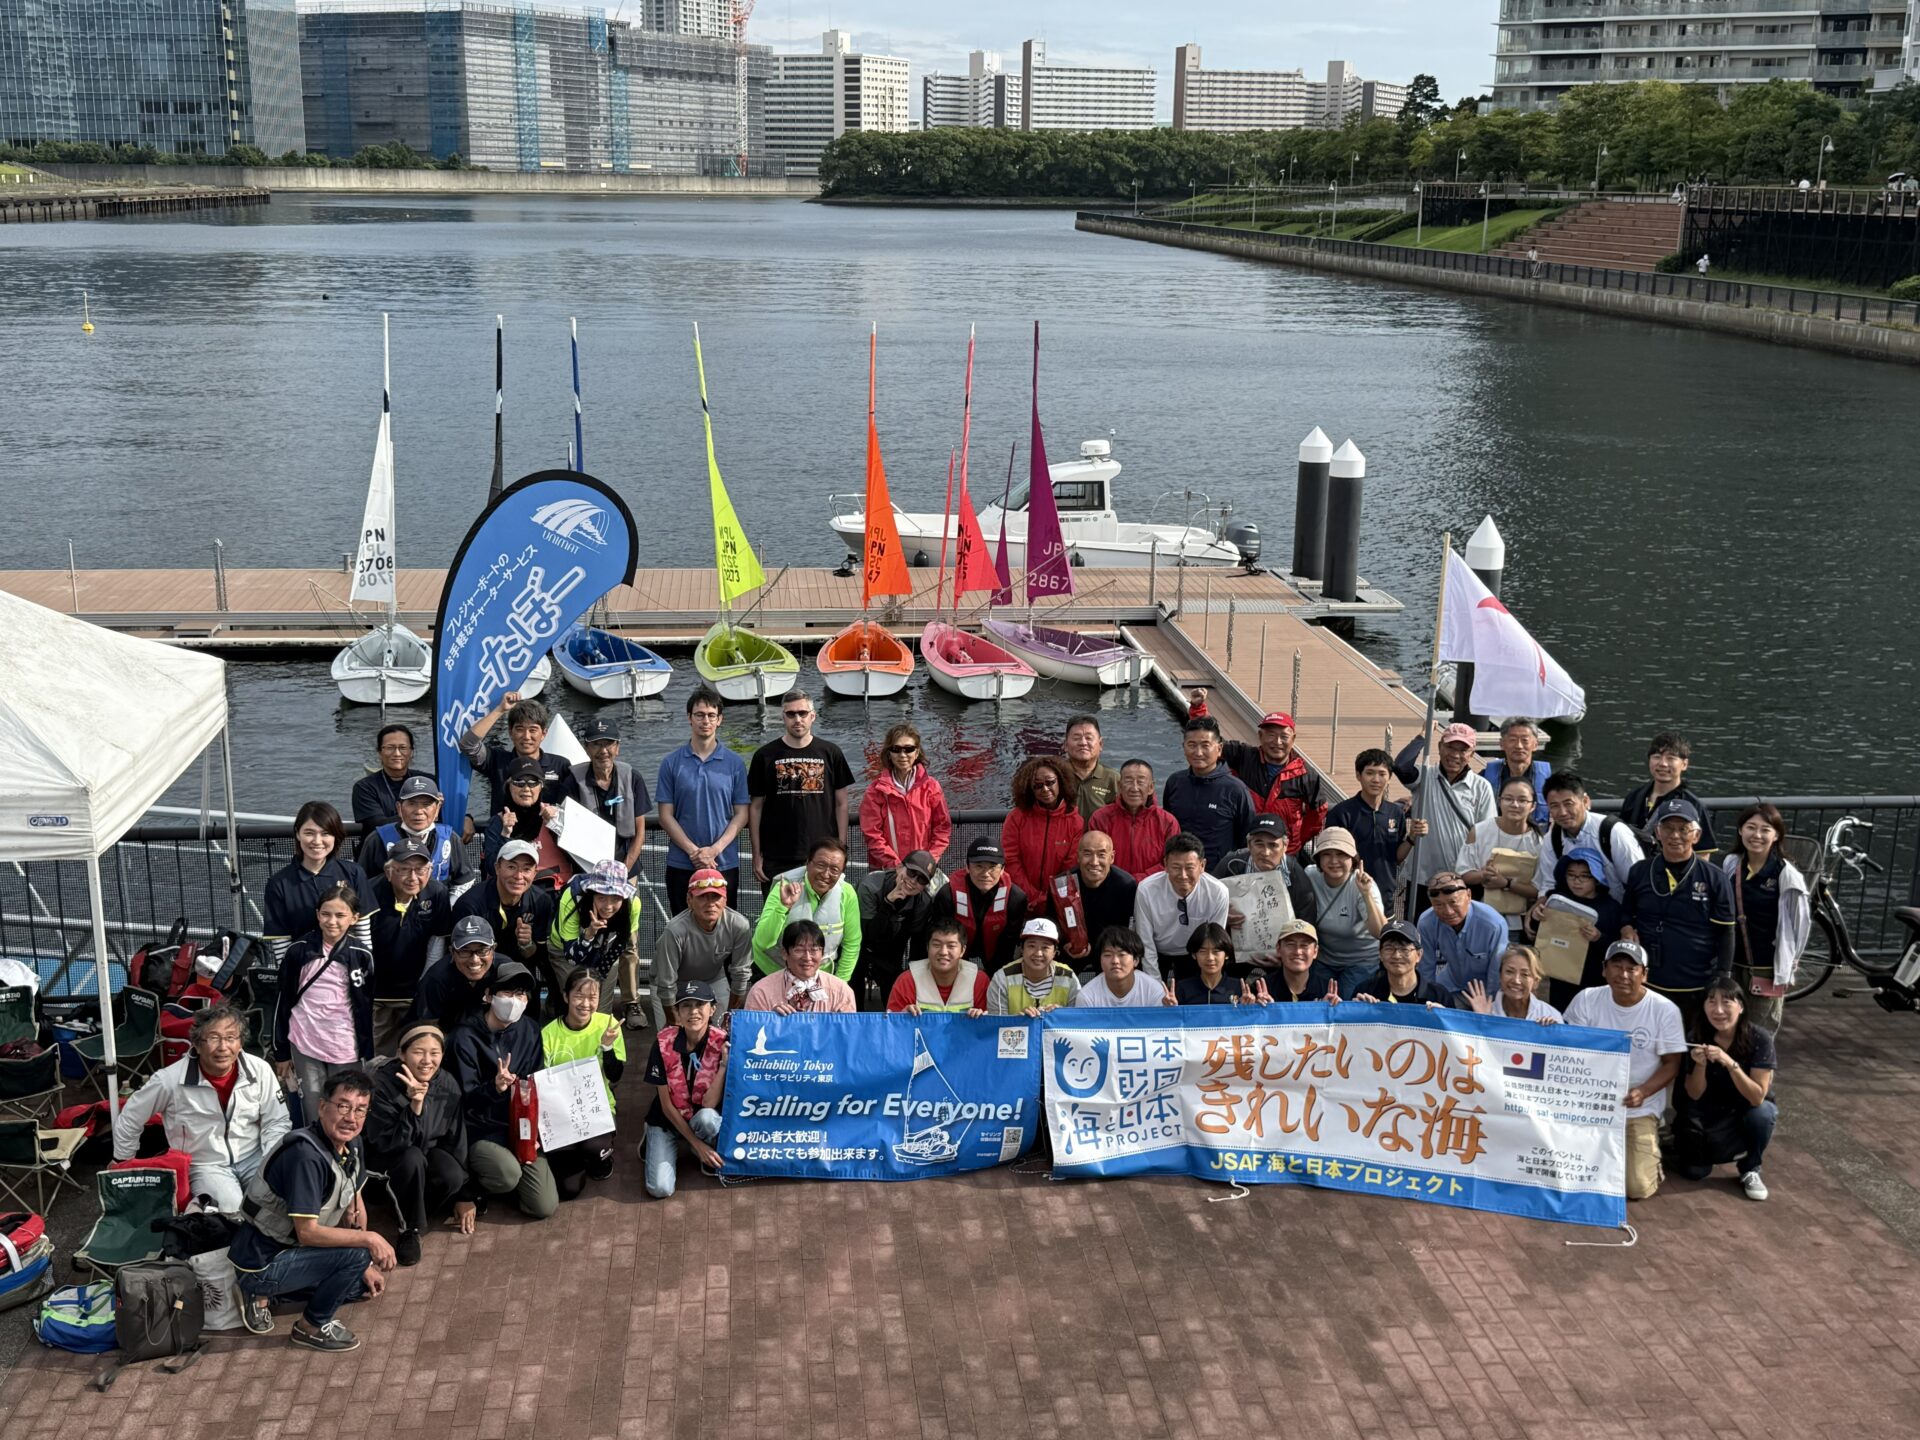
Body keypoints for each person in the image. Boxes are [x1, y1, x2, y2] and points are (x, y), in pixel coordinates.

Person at [113, 1003, 289, 1328]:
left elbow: (277, 1121)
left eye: (231, 1037)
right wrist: (123, 1162)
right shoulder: (170, 1080)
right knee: (235, 1213)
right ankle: (250, 1292)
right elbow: (130, 1118)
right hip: (206, 1164)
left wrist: (271, 1162)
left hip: (255, 1157)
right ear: (196, 1043)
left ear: (241, 1041)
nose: (223, 1047)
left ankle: (279, 1281)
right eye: (213, 1038)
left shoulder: (259, 1070)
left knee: (278, 1205)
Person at [230, 1070, 392, 1353]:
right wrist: (369, 1241)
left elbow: (354, 1206)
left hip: (296, 1252)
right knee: (357, 1254)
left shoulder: (351, 1144)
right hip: (264, 1262)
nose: (351, 1118)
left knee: (359, 1285)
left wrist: (365, 1266)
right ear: (322, 1107)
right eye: (343, 1106)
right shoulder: (305, 1156)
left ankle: (272, 1296)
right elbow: (307, 1232)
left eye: (360, 1110)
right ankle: (309, 1326)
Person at [1564, 941, 1688, 1201]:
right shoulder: (1586, 999)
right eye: (1616, 966)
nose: (1623, 974)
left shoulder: (1664, 1010)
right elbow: (1570, 1048)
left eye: (1632, 969)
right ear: (1604, 969)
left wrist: (1643, 1092)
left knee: (1638, 1188)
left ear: (1644, 974)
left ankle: (1648, 1156)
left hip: (1637, 1107)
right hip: (1589, 1103)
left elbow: (1672, 1064)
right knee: (1567, 1172)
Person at [449, 960, 556, 1220]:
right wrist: (494, 1087)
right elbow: (463, 1099)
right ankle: (477, 1181)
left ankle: (508, 1179)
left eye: (521, 994)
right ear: (488, 995)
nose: (514, 1001)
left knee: (544, 1206)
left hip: (520, 1126)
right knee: (507, 1175)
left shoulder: (530, 1029)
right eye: (507, 992)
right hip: (482, 1130)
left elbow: (535, 1080)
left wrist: (536, 1129)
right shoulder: (464, 1037)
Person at [1621, 798, 1736, 1029]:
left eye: (1683, 829)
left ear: (1696, 835)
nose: (1675, 835)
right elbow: (1626, 911)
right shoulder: (1639, 871)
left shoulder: (1715, 878)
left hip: (1695, 982)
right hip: (1648, 979)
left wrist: (1722, 976)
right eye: (1668, 828)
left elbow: (1726, 931)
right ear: (1657, 832)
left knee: (1690, 1042)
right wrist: (1626, 928)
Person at [363, 1023, 471, 1265]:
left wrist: (464, 1194)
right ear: (401, 1054)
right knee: (411, 1157)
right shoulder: (381, 1086)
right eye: (418, 1052)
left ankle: (413, 1210)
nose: (427, 1061)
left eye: (434, 1053)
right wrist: (415, 1107)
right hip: (384, 1166)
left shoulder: (447, 1083)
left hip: (422, 1157)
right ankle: (410, 1229)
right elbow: (389, 1144)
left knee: (452, 1174)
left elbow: (456, 1139)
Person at [1672, 975, 1777, 1201]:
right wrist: (1700, 1065)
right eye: (1711, 1001)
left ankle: (1750, 1167)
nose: (1718, 1010)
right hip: (1707, 1112)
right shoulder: (1696, 1036)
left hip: (1744, 1108)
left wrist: (1729, 1062)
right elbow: (1694, 1093)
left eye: (1726, 1002)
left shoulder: (1760, 1038)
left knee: (1763, 1113)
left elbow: (1757, 1097)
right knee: (1694, 1172)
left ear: (1741, 1006)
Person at [273, 883, 375, 1105]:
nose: (332, 921)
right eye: (326, 914)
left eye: (340, 915)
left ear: (354, 918)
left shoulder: (361, 954)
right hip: (305, 1042)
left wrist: (367, 1050)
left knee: (344, 1105)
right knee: (313, 1107)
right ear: (317, 915)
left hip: (346, 1045)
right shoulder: (298, 950)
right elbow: (283, 1001)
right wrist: (281, 1052)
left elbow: (365, 1006)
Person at [1186, 694, 1326, 851]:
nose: (1277, 742)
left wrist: (1296, 841)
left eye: (1284, 736)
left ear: (1293, 739)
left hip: (1284, 852)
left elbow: (1318, 813)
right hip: (1243, 848)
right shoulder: (1244, 757)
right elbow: (1211, 745)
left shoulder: (1306, 775)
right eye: (1271, 735)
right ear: (1260, 736)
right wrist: (1199, 709)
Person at [657, 686, 751, 914]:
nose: (705, 721)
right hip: (681, 862)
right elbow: (665, 816)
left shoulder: (735, 764)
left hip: (723, 862)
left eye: (711, 715)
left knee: (722, 926)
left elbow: (742, 814)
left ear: (720, 720)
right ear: (689, 718)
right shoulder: (671, 763)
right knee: (682, 925)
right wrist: (694, 852)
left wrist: (714, 850)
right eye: (699, 715)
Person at [747, 689, 854, 889]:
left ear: (812, 716)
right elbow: (755, 807)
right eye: (791, 714)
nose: (797, 719)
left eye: (802, 713)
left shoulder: (832, 753)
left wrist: (840, 850)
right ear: (783, 717)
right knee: (779, 908)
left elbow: (841, 804)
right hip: (777, 855)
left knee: (823, 909)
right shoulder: (764, 756)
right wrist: (756, 854)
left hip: (823, 855)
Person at [1720, 802, 1809, 1036]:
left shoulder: (1786, 875)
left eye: (1765, 829)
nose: (1757, 835)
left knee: (1759, 1034)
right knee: (1728, 1029)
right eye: (1751, 827)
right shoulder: (1732, 863)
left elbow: (1800, 925)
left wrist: (1790, 962)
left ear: (1776, 835)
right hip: (1733, 963)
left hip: (1766, 967)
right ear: (1740, 830)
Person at [1393, 723, 1495, 915]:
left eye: (1463, 750)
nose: (1455, 755)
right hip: (1423, 879)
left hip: (1462, 880)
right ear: (1439, 746)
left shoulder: (1481, 787)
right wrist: (1423, 736)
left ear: (1472, 754)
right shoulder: (1424, 776)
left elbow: (1487, 835)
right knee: (1420, 929)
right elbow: (1400, 766)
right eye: (1450, 747)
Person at [539, 968, 623, 1202]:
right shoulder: (548, 1034)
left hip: (596, 1108)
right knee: (568, 1189)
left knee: (595, 1151)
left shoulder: (609, 1025)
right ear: (565, 996)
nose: (586, 1004)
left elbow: (616, 1076)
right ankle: (573, 1153)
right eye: (579, 995)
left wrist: (607, 1047)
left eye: (592, 997)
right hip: (560, 1114)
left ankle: (599, 1155)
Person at [365, 834, 452, 1057]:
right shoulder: (369, 891)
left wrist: (425, 982)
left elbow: (437, 940)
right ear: (388, 871)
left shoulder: (437, 893)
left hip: (417, 990)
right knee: (379, 1054)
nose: (413, 877)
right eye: (404, 869)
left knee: (418, 1050)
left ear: (429, 871)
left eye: (420, 870)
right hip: (377, 993)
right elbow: (360, 942)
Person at [642, 980, 730, 1198]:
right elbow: (666, 1106)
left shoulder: (723, 1042)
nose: (693, 1012)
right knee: (660, 1189)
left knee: (709, 1119)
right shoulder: (662, 1043)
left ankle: (698, 1148)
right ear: (677, 1013)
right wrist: (698, 1145)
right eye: (686, 1006)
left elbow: (709, 1103)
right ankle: (655, 1139)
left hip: (700, 1117)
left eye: (700, 1004)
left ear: (712, 1009)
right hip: (667, 1119)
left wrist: (723, 1066)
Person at [263, 802, 370, 966]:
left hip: (348, 967)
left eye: (325, 833)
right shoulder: (278, 884)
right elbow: (281, 942)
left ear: (336, 836)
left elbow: (363, 932)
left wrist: (364, 967)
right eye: (309, 833)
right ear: (297, 834)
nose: (317, 841)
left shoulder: (354, 873)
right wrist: (289, 974)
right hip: (304, 969)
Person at [452, 840, 555, 1011]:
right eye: (512, 867)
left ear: (534, 873)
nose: (519, 876)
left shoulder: (541, 901)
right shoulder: (470, 905)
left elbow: (538, 956)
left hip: (521, 976)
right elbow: (463, 958)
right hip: (480, 975)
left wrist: (527, 944)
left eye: (526, 869)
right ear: (497, 868)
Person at [653, 868, 754, 1030]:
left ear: (725, 900)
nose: (710, 903)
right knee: (672, 1036)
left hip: (713, 978)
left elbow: (741, 974)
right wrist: (674, 1021)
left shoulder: (739, 925)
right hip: (674, 983)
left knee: (724, 1032)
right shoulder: (674, 930)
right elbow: (666, 983)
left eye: (716, 896)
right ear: (689, 900)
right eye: (702, 897)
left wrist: (729, 1016)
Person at [750, 837, 861, 985]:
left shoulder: (847, 893)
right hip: (773, 970)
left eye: (834, 870)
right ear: (808, 863)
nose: (826, 874)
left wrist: (839, 984)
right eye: (821, 865)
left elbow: (852, 944)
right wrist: (783, 907)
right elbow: (762, 942)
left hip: (820, 975)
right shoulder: (784, 887)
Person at [1527, 847, 1625, 1011]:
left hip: (1594, 980)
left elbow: (1616, 948)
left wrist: (1598, 938)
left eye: (1584, 876)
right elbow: (1536, 935)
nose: (1576, 881)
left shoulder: (1611, 908)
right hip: (1561, 977)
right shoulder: (1556, 899)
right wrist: (1536, 918)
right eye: (1571, 875)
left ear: (1597, 878)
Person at [548, 859, 642, 1026]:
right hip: (564, 950)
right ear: (592, 894)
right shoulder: (572, 898)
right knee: (577, 1001)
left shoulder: (633, 903)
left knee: (600, 1009)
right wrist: (589, 934)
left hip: (605, 949)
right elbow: (572, 957)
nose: (608, 906)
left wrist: (598, 978)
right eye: (601, 897)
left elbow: (620, 944)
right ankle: (557, 1000)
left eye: (616, 898)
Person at [1533, 770, 1644, 903]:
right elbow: (1549, 883)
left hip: (1620, 909)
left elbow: (1639, 884)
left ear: (1585, 801)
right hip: (1577, 910)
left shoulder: (1613, 833)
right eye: (1554, 806)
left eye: (1568, 804)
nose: (1562, 812)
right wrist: (1541, 903)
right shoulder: (1552, 839)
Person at [1131, 833, 1230, 983]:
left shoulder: (1218, 892)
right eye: (1176, 867)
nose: (1183, 875)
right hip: (1157, 951)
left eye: (1190, 868)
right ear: (1165, 864)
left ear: (1202, 865)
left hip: (1195, 953)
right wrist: (1156, 986)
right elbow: (1146, 942)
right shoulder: (1147, 890)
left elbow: (1214, 940)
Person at [1161, 716, 1256, 865]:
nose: (1198, 752)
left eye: (1205, 745)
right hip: (1180, 870)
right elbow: (1167, 826)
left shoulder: (1236, 790)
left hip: (1219, 872)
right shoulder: (1175, 782)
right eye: (1192, 745)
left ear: (1219, 749)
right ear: (1184, 747)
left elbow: (1247, 839)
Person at [1302, 827, 1386, 996]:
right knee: (1316, 999)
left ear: (1353, 858)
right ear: (1318, 858)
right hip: (1324, 959)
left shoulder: (1363, 883)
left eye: (1341, 854)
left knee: (1347, 1003)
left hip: (1361, 960)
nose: (1334, 861)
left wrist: (1366, 894)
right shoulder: (1310, 875)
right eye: (1327, 854)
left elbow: (1380, 932)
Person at [860, 722, 952, 874]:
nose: (902, 755)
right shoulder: (875, 791)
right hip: (888, 871)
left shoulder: (932, 787)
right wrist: (896, 866)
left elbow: (942, 828)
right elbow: (872, 834)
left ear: (917, 752)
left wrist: (928, 861)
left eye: (908, 749)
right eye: (896, 749)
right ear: (889, 753)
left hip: (923, 871)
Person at [1325, 748, 1415, 902]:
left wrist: (1412, 837)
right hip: (1348, 894)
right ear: (1358, 775)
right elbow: (1332, 857)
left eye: (1382, 774)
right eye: (1370, 773)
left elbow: (1396, 858)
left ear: (1390, 777)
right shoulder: (1342, 813)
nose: (1376, 779)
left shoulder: (1396, 813)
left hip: (1385, 896)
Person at [459, 691, 568, 818]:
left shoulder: (560, 765)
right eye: (520, 729)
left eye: (533, 730)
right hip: (502, 829)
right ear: (510, 732)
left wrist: (555, 812)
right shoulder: (496, 760)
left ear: (544, 734)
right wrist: (500, 710)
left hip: (545, 829)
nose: (526, 736)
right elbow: (468, 745)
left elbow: (572, 807)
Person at [355, 776, 471, 895]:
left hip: (438, 904)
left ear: (437, 809)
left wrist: (449, 904)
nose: (419, 811)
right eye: (411, 804)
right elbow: (361, 883)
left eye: (426, 804)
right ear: (399, 808)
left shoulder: (449, 838)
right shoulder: (377, 839)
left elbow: (464, 880)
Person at [563, 717, 649, 875]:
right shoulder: (573, 781)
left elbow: (640, 832)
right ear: (586, 748)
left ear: (617, 747)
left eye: (608, 744)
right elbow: (567, 832)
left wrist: (624, 870)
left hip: (626, 868)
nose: (603, 751)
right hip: (587, 871)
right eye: (596, 744)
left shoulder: (633, 778)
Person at [1458, 775, 1545, 933]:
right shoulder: (1480, 830)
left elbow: (1538, 889)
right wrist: (1483, 875)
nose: (1515, 805)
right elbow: (1463, 874)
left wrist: (1506, 883)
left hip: (1518, 921)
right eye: (1508, 799)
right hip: (1479, 916)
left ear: (1532, 806)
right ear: (1499, 801)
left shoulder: (1538, 841)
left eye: (1522, 800)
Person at [855, 849, 938, 1011]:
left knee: (897, 1000)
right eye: (911, 873)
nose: (913, 881)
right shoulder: (869, 886)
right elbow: (867, 935)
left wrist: (912, 980)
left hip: (891, 951)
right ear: (899, 867)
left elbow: (917, 949)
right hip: (860, 947)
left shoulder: (923, 902)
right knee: (854, 989)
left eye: (921, 880)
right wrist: (888, 902)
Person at [1001, 755, 1084, 919]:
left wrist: (1050, 899)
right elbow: (1010, 860)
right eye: (1037, 785)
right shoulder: (1016, 817)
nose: (1045, 789)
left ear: (1061, 781)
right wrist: (1032, 896)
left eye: (1050, 782)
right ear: (1029, 788)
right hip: (1019, 899)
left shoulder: (1076, 822)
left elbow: (1071, 867)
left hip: (1058, 902)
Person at [931, 837, 1029, 972]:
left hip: (998, 954)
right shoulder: (947, 895)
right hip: (954, 954)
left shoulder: (1016, 898)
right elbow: (941, 938)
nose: (985, 874)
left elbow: (1008, 945)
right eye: (979, 866)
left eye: (992, 867)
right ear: (967, 867)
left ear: (1002, 869)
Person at [1049, 830, 1138, 970]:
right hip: (1072, 951)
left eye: (1101, 855)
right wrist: (1065, 944)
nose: (1094, 862)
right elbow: (1052, 924)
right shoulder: (1062, 885)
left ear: (1112, 857)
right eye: (1087, 854)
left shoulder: (1126, 886)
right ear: (1078, 857)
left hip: (1110, 950)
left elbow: (1127, 931)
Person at [1618, 732, 1717, 851]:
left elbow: (1703, 853)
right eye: (1657, 757)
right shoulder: (1634, 797)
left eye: (1671, 758)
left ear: (1684, 764)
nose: (1663, 764)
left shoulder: (1693, 805)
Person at [1415, 871, 1508, 998]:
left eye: (1453, 902)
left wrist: (1489, 1003)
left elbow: (1496, 973)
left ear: (1468, 896)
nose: (1448, 911)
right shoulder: (1426, 922)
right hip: (1450, 984)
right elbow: (1426, 968)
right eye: (1438, 905)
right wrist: (1428, 998)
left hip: (1484, 991)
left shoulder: (1493, 924)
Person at [1210, 814, 1317, 923]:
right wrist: (1222, 914)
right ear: (1249, 845)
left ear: (1285, 846)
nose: (1266, 853)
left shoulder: (1295, 874)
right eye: (1259, 844)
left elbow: (1306, 919)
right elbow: (1208, 897)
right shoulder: (1232, 863)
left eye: (1273, 845)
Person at [1088, 759, 1181, 880]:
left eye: (1141, 781)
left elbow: (1172, 861)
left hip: (1154, 886)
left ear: (1151, 787)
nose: (1134, 788)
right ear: (1119, 786)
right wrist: (1122, 882)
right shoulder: (1100, 818)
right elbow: (1095, 859)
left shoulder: (1167, 822)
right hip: (1112, 884)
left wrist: (1139, 881)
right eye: (1128, 781)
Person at [742, 919, 858, 1013]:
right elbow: (753, 1032)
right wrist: (769, 1019)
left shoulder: (841, 991)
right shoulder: (761, 991)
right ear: (784, 953)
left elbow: (849, 1033)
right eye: (799, 950)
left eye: (814, 950)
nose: (807, 957)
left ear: (822, 953)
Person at [410, 916, 498, 1031]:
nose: (475, 959)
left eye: (482, 950)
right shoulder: (435, 980)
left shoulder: (504, 970)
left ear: (493, 949)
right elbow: (426, 1028)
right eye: (465, 951)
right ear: (452, 952)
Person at [886, 918, 989, 1015]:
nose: (943, 952)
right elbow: (891, 1024)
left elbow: (991, 1023)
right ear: (927, 947)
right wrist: (902, 1016)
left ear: (962, 950)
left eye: (951, 946)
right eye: (936, 945)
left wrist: (982, 1018)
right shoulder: (907, 980)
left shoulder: (978, 980)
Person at [479, 756, 558, 881]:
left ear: (541, 786)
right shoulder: (498, 822)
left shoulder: (555, 815)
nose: (526, 788)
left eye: (533, 783)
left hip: (550, 887)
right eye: (519, 782)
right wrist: (505, 834)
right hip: (513, 887)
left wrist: (556, 826)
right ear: (508, 786)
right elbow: (491, 868)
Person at [985, 918, 1082, 1014]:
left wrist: (1062, 1015)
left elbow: (1078, 1020)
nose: (1038, 953)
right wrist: (1019, 1020)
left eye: (1045, 947)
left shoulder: (1068, 977)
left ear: (1054, 952)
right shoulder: (1002, 978)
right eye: (1031, 946)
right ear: (1022, 949)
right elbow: (997, 1022)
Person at [350, 723, 434, 830]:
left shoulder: (429, 781)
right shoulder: (364, 787)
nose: (397, 753)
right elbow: (376, 825)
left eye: (403, 747)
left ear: (411, 751)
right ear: (379, 752)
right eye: (390, 748)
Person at [1353, 921, 1453, 1005]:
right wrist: (1355, 1010)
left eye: (1404, 949)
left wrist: (1443, 1017)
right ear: (1380, 954)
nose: (1397, 955)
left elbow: (1453, 1023)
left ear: (1419, 955)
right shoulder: (1366, 992)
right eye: (1389, 949)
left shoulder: (1439, 996)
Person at [1462, 943, 1561, 1024]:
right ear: (1500, 975)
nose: (1516, 980)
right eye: (1509, 972)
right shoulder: (1486, 1011)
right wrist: (1482, 1021)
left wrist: (1553, 1032)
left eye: (1525, 974)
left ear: (1535, 981)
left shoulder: (1549, 1014)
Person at [1072, 926, 1168, 1008]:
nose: (1115, 961)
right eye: (1108, 955)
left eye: (1122, 955)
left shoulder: (1153, 990)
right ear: (1100, 960)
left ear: (1136, 960)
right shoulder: (1087, 996)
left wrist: (1171, 1011)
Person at [1479, 719, 1550, 829]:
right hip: (1494, 835)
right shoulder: (1485, 777)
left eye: (1525, 740)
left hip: (1535, 836)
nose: (1519, 746)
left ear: (1535, 744)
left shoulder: (1550, 780)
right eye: (1512, 740)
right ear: (1502, 744)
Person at [1266, 919, 1340, 1003]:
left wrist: (1331, 1008)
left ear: (1315, 952)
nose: (1298, 951)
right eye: (1290, 944)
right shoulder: (1263, 989)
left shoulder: (1327, 990)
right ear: (1278, 949)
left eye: (1304, 945)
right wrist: (1259, 1007)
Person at [1062, 714, 1121, 819]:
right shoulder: (1056, 775)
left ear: (1100, 744)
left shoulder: (1113, 779)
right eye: (1076, 738)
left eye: (1089, 738)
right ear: (1066, 745)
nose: (1083, 743)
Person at [1170, 922, 1239, 1005]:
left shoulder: (1238, 987)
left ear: (1226, 954)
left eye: (1216, 951)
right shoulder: (1183, 988)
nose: (1210, 958)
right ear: (1194, 955)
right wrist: (1172, 1008)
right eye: (1203, 951)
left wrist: (1248, 1007)